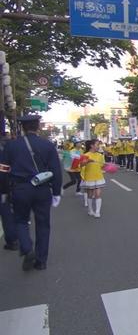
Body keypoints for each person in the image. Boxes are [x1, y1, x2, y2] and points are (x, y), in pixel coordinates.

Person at [0, 115, 62, 271]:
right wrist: (56, 192)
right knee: (43, 224)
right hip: (42, 190)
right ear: (38, 126)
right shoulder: (47, 145)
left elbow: (3, 170)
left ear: (22, 128)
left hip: (20, 189)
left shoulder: (11, 146)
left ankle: (27, 248)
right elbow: (56, 170)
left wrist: (5, 190)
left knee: (20, 220)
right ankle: (41, 261)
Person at [0, 135, 17, 251]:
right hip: (3, 190)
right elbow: (3, 173)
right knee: (6, 215)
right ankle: (11, 241)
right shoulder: (4, 155)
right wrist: (6, 190)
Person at [81, 140, 106, 218]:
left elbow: (103, 166)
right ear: (92, 146)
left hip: (99, 177)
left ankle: (97, 212)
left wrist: (108, 167)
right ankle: (90, 210)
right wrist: (87, 161)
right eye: (97, 145)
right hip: (89, 177)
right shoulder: (85, 155)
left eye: (99, 145)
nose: (99, 146)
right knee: (90, 195)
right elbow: (81, 165)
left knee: (98, 194)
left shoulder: (100, 155)